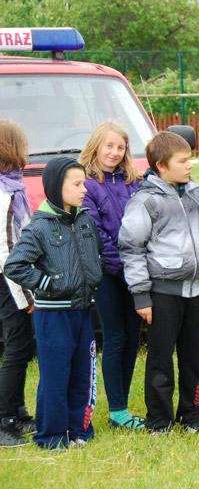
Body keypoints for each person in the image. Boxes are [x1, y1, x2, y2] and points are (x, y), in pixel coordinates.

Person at [118, 132, 199, 432]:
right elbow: (132, 249)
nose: (190, 165)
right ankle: (159, 421)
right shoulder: (145, 201)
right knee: (161, 361)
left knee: (195, 359)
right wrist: (141, 296)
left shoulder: (196, 194)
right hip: (164, 295)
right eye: (183, 160)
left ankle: (192, 415)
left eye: (190, 159)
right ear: (161, 166)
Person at [5, 157, 103, 449]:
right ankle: (52, 435)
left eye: (83, 182)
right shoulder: (39, 227)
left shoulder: (84, 219)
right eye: (76, 184)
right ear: (55, 187)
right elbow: (15, 265)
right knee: (55, 376)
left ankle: (78, 430)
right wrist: (48, 284)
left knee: (82, 372)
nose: (83, 189)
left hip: (84, 310)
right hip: (53, 316)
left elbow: (92, 256)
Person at [77, 121, 143, 431]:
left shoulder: (134, 182)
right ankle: (117, 409)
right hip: (108, 273)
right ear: (96, 147)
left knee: (132, 338)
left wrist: (138, 264)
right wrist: (122, 263)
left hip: (135, 271)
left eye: (121, 147)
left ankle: (123, 404)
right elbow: (95, 231)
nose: (115, 152)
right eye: (109, 146)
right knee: (116, 337)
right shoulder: (87, 184)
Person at [0, 121, 34, 447]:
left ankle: (19, 409)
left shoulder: (12, 187)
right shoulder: (5, 194)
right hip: (9, 282)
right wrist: (26, 295)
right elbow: (9, 250)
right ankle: (5, 419)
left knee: (21, 346)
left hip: (11, 280)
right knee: (16, 348)